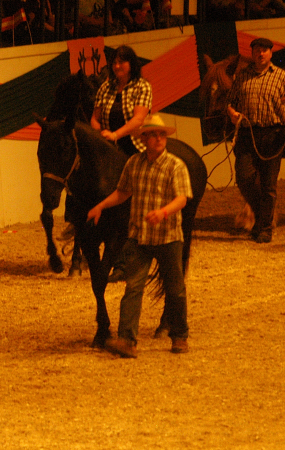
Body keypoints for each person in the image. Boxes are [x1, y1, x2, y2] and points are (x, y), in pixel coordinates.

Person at [87, 114, 192, 358]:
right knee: (133, 287)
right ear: (144, 138)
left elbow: (182, 199)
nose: (158, 139)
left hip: (168, 236)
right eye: (154, 134)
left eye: (162, 135)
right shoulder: (134, 163)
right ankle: (127, 340)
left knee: (175, 288)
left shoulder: (175, 165)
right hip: (139, 236)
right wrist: (101, 206)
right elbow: (122, 193)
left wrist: (163, 212)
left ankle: (179, 336)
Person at [226, 37, 285, 244]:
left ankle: (265, 228)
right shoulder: (242, 76)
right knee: (244, 178)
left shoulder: (282, 77)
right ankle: (262, 217)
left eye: (264, 50)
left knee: (269, 185)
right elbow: (231, 103)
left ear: (271, 53)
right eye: (257, 50)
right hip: (247, 133)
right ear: (252, 54)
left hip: (273, 134)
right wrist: (233, 113)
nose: (260, 54)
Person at [90, 44, 152, 282]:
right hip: (108, 144)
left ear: (131, 64)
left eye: (121, 62)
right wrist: (100, 135)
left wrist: (116, 135)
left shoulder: (142, 86)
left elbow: (138, 119)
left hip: (133, 145)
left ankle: (133, 253)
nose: (116, 66)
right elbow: (95, 118)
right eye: (114, 62)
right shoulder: (106, 87)